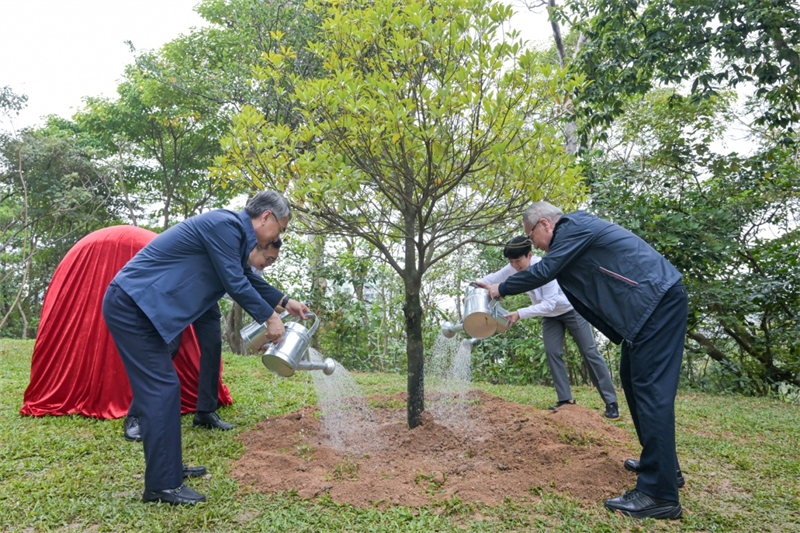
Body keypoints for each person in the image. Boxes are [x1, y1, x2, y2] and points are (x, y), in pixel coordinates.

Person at [477, 201, 687, 520]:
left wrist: (500, 290)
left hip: (656, 303)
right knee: (632, 381)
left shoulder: (572, 229)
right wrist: (489, 284)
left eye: (531, 236)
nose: (532, 244)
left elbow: (546, 271)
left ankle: (659, 495)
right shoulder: (573, 232)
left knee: (652, 393)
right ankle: (663, 468)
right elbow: (527, 270)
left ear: (545, 224)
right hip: (646, 309)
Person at [102, 191, 309, 506]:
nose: (277, 235)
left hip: (144, 308)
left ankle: (168, 469)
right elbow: (234, 283)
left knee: (164, 389)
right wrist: (270, 318)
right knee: (162, 389)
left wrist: (284, 302)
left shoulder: (235, 237)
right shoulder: (224, 225)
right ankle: (161, 485)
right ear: (266, 217)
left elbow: (245, 279)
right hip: (133, 304)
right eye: (279, 229)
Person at [122, 238, 285, 442]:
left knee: (212, 345)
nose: (269, 263)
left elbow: (256, 287)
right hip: (179, 292)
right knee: (168, 348)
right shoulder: (230, 245)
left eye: (274, 261)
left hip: (206, 298)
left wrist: (287, 304)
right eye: (268, 258)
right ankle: (135, 416)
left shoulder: (251, 263)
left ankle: (205, 412)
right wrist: (271, 316)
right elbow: (240, 287)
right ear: (255, 248)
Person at [477, 236, 619, 419]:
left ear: (529, 254)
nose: (515, 266)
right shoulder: (513, 266)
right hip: (550, 317)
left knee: (590, 352)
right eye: (511, 262)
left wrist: (519, 313)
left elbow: (550, 303)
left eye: (518, 261)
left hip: (571, 309)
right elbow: (491, 279)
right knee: (552, 352)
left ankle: (611, 402)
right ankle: (565, 400)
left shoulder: (545, 267)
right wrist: (474, 289)